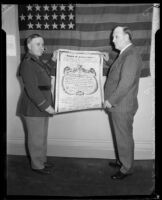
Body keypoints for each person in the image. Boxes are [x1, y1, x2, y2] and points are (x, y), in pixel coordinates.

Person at [103, 26, 143, 180]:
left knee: (123, 137)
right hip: (121, 105)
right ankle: (123, 161)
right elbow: (118, 74)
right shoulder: (126, 54)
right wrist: (108, 62)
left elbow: (125, 83)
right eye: (113, 37)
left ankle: (126, 168)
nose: (113, 40)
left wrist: (111, 101)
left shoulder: (131, 55)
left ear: (127, 37)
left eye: (116, 36)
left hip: (121, 105)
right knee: (121, 136)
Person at [18, 34, 57, 175]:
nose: (42, 47)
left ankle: (41, 160)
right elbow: (32, 89)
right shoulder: (27, 62)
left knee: (41, 136)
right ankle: (37, 165)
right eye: (38, 44)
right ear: (29, 46)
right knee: (36, 138)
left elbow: (45, 70)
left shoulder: (36, 61)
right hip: (34, 106)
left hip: (41, 105)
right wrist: (46, 106)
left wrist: (52, 61)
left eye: (42, 44)